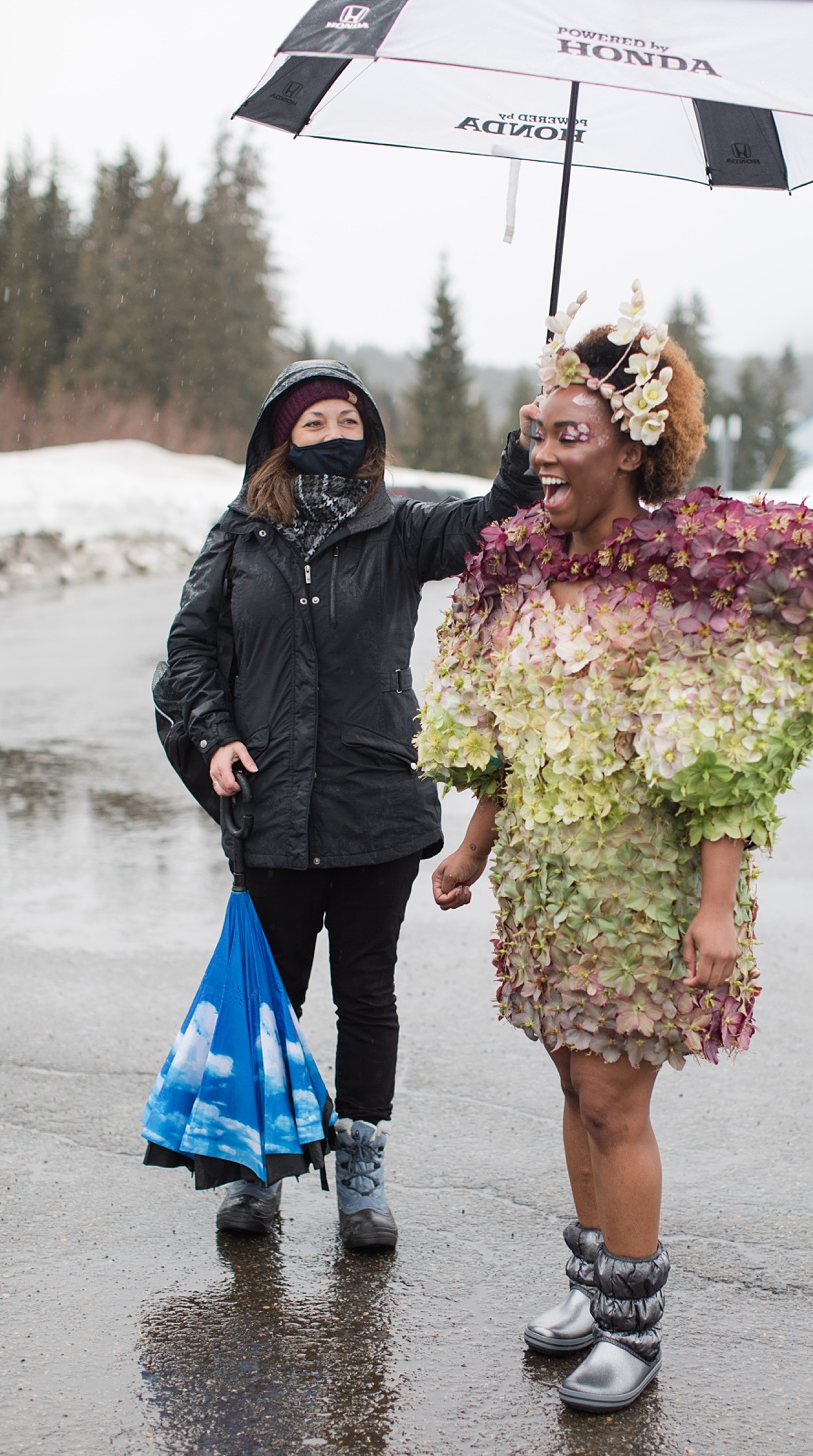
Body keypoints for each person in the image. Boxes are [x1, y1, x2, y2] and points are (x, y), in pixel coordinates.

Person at [416, 284, 813, 1412]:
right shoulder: (520, 566)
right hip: (546, 886)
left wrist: (715, 909)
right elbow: (509, 737)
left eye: (567, 436)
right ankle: (590, 1287)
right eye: (536, 432)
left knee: (614, 1103)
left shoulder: (686, 582)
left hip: (639, 888)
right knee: (573, 1089)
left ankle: (634, 1332)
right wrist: (476, 847)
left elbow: (716, 754)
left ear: (628, 448)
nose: (542, 456)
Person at [167, 359, 536, 1248]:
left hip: (375, 802)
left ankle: (361, 1167)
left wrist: (523, 458)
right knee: (273, 998)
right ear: (279, 443)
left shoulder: (400, 529)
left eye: (348, 420)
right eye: (313, 424)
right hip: (272, 806)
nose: (335, 435)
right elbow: (190, 650)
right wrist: (217, 736)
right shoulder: (240, 537)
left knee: (367, 995)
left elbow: (491, 527)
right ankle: (260, 1166)